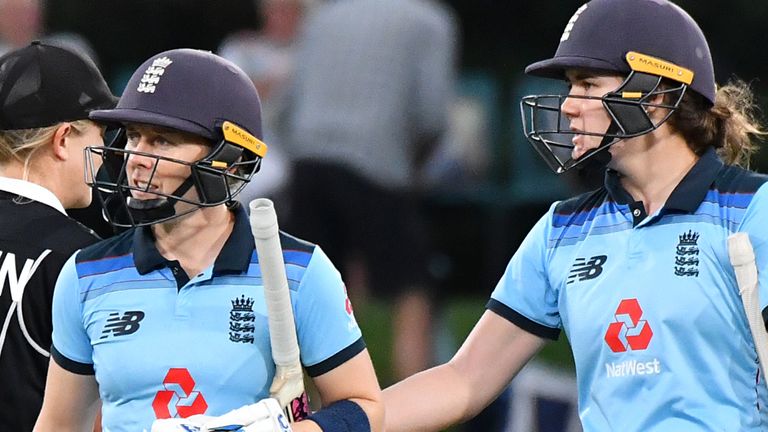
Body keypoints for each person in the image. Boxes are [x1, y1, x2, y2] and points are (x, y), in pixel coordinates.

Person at [383, 0, 768, 431]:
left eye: (587, 85)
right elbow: (464, 380)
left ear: (657, 96)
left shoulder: (753, 211)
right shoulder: (561, 231)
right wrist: (343, 423)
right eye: (570, 86)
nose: (567, 105)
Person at [33, 48, 383, 432]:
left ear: (229, 158)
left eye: (162, 141)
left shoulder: (298, 270)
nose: (136, 158)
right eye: (133, 136)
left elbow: (364, 404)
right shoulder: (86, 275)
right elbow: (58, 425)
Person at [283, 0, 458, 381]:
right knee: (412, 289)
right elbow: (431, 115)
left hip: (308, 162)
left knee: (315, 294)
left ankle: (312, 414)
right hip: (378, 163)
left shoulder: (323, 18)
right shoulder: (430, 21)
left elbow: (289, 101)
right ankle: (412, 414)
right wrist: (414, 169)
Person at [0, 41, 116, 431]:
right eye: (99, 134)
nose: (103, 152)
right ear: (63, 139)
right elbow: (103, 417)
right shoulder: (78, 258)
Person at [218, 0, 313, 206]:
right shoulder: (242, 48)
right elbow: (229, 95)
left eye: (289, 12)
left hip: (299, 147)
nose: (281, 18)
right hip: (249, 142)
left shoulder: (310, 54)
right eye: (276, 11)